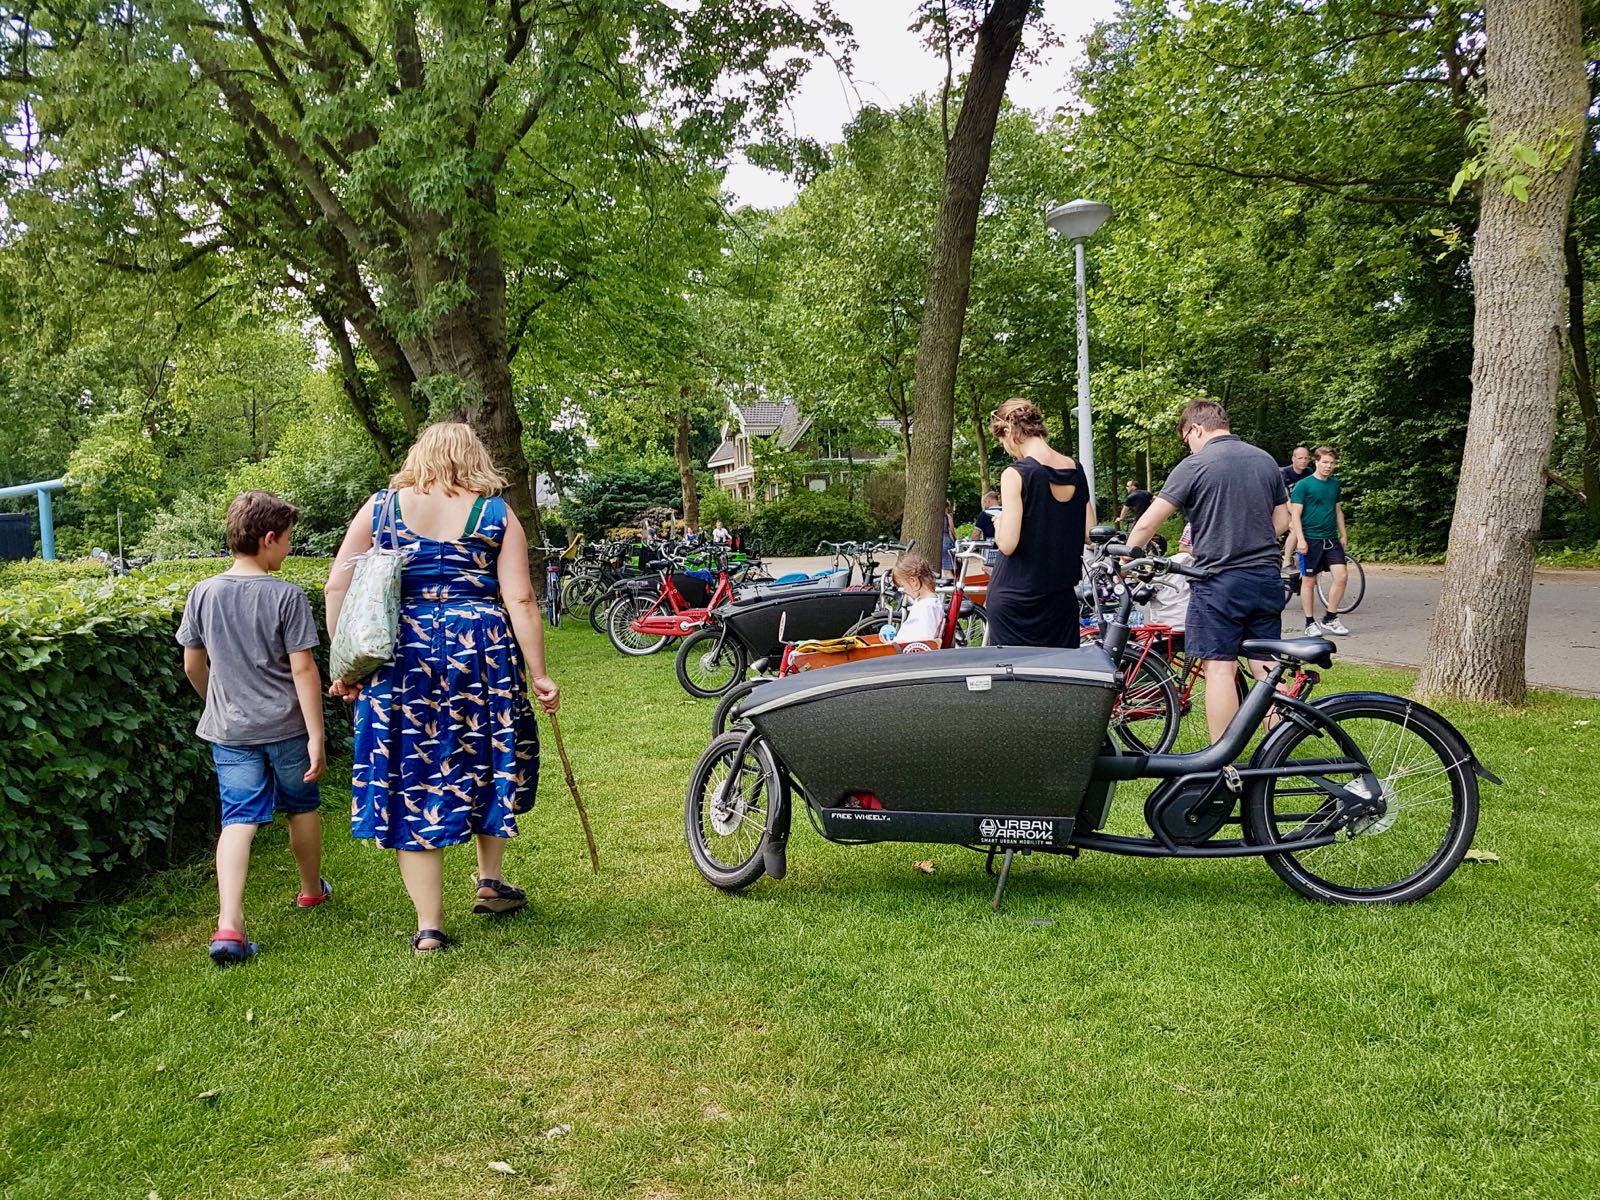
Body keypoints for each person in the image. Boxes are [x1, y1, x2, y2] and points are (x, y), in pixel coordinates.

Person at [325, 422, 560, 955]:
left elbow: (338, 584)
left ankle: (429, 926)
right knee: (485, 756)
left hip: (401, 654)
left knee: (410, 773)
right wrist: (540, 673)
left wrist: (348, 664)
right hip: (481, 652)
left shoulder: (381, 508)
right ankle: (490, 881)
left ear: (419, 455)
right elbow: (521, 599)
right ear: (475, 458)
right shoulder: (496, 513)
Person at [177, 490, 329, 967]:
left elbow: (192, 664)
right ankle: (311, 890)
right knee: (301, 806)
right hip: (287, 728)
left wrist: (217, 703)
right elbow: (303, 670)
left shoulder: (203, 592)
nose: (290, 548)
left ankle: (229, 925)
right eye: (288, 539)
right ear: (268, 538)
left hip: (230, 732)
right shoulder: (287, 596)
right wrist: (316, 734)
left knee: (238, 819)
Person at [1126, 400, 1290, 743]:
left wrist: (1125, 563)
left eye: (1187, 439)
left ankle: (1220, 758)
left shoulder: (1195, 465)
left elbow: (1146, 525)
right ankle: (1281, 745)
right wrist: (1251, 539)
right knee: (1267, 665)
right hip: (1266, 579)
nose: (1189, 446)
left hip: (1219, 583)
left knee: (1219, 667)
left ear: (1196, 429)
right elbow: (1282, 520)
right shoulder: (1265, 461)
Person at [985, 397, 1095, 648]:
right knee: (1062, 671)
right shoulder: (1076, 470)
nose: (1006, 449)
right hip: (1060, 601)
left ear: (1009, 430)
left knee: (1017, 672)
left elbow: (1007, 545)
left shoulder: (1016, 473)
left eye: (1002, 441)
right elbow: (1090, 533)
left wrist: (999, 523)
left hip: (1015, 599)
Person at [1289, 445, 1351, 636]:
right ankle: (1309, 622)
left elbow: (1338, 510)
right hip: (1311, 539)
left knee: (1341, 576)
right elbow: (1295, 514)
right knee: (1309, 581)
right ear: (1316, 462)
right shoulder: (1304, 485)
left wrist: (1343, 534)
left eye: (1331, 463)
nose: (1328, 466)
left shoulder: (1334, 484)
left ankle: (1330, 617)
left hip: (1331, 539)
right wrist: (1300, 539)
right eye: (1324, 462)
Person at [885, 552, 944, 644]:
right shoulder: (926, 603)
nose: (904, 590)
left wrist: (896, 643)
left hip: (907, 651)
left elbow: (924, 640)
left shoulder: (927, 607)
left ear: (913, 581)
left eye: (903, 586)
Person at [1279, 446, 1313, 572]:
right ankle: (1286, 562)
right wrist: (1295, 515)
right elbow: (1285, 498)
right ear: (1293, 459)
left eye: (1306, 458)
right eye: (1300, 458)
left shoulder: (1309, 472)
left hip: (1300, 508)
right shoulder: (1284, 473)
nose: (1303, 461)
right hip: (1283, 507)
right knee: (1295, 528)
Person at [940, 500, 958, 582]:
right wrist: (955, 541)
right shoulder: (947, 517)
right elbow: (951, 531)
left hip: (941, 543)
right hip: (947, 542)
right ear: (947, 507)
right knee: (948, 570)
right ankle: (953, 585)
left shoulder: (936, 517)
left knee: (946, 570)